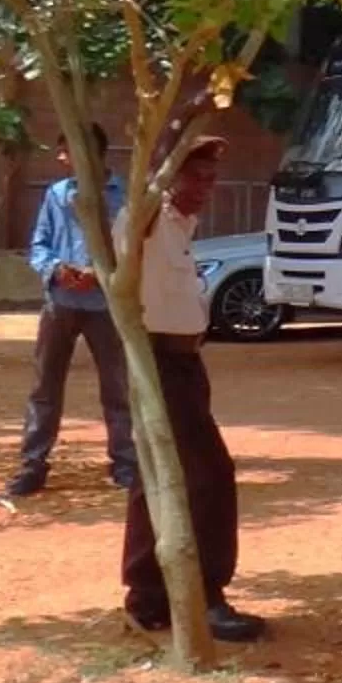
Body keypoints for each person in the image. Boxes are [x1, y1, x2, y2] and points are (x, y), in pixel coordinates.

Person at [118, 140, 263, 643]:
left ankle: (150, 596)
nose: (205, 189)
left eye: (210, 178)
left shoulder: (179, 225)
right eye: (194, 177)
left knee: (161, 472)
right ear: (165, 176)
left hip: (184, 360)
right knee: (208, 475)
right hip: (158, 359)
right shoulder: (147, 218)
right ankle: (204, 594)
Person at [7, 126, 135, 500]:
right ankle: (33, 465)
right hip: (60, 304)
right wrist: (57, 269)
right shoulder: (57, 194)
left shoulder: (124, 197)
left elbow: (133, 248)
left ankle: (125, 464)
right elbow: (39, 246)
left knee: (118, 388)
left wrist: (103, 274)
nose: (61, 158)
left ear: (91, 153)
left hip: (106, 306)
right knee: (44, 388)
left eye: (67, 151)